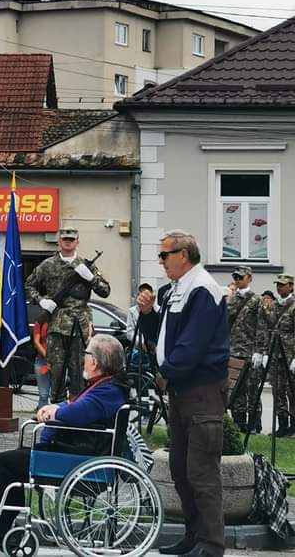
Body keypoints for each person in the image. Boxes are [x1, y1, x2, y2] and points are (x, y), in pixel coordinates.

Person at [0, 333, 129, 542]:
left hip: (76, 458)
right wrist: (56, 406)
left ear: (94, 362)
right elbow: (78, 407)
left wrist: (53, 413)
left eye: (86, 354)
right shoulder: (107, 386)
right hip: (74, 452)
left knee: (2, 463)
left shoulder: (108, 391)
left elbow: (78, 412)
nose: (83, 358)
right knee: (11, 465)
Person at [154, 229, 229, 557]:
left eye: (164, 255)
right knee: (181, 470)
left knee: (201, 472)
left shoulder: (202, 288)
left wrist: (165, 374)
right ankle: (193, 535)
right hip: (184, 391)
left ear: (183, 254)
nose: (161, 262)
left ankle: (211, 544)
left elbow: (192, 345)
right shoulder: (179, 289)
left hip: (201, 392)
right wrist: (146, 317)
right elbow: (165, 337)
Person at [25, 226, 111, 402]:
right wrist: (41, 300)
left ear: (77, 242)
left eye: (71, 239)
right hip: (56, 324)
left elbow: (105, 290)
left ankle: (77, 409)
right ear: (59, 242)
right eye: (65, 239)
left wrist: (91, 278)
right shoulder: (48, 265)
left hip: (81, 325)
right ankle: (56, 410)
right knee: (56, 371)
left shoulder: (87, 266)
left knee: (80, 371)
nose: (68, 242)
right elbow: (28, 285)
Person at [223, 266, 268, 434]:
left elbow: (262, 327)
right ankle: (239, 422)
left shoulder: (256, 300)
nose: (237, 280)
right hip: (233, 350)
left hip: (250, 352)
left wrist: (260, 351)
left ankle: (254, 424)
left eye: (241, 277)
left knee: (252, 389)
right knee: (236, 390)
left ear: (249, 278)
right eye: (235, 277)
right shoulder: (232, 299)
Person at [265, 274, 295, 437]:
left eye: (283, 285)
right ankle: (282, 424)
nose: (279, 288)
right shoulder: (275, 305)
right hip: (276, 353)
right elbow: (267, 328)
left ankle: (293, 425)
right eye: (278, 285)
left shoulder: (293, 305)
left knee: (292, 391)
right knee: (278, 390)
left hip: (290, 355)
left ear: (291, 286)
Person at [32, 317, 51, 410]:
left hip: (58, 362)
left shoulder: (61, 321)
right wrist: (47, 356)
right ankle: (42, 417)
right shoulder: (40, 322)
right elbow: (36, 341)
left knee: (59, 394)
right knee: (43, 394)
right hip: (42, 360)